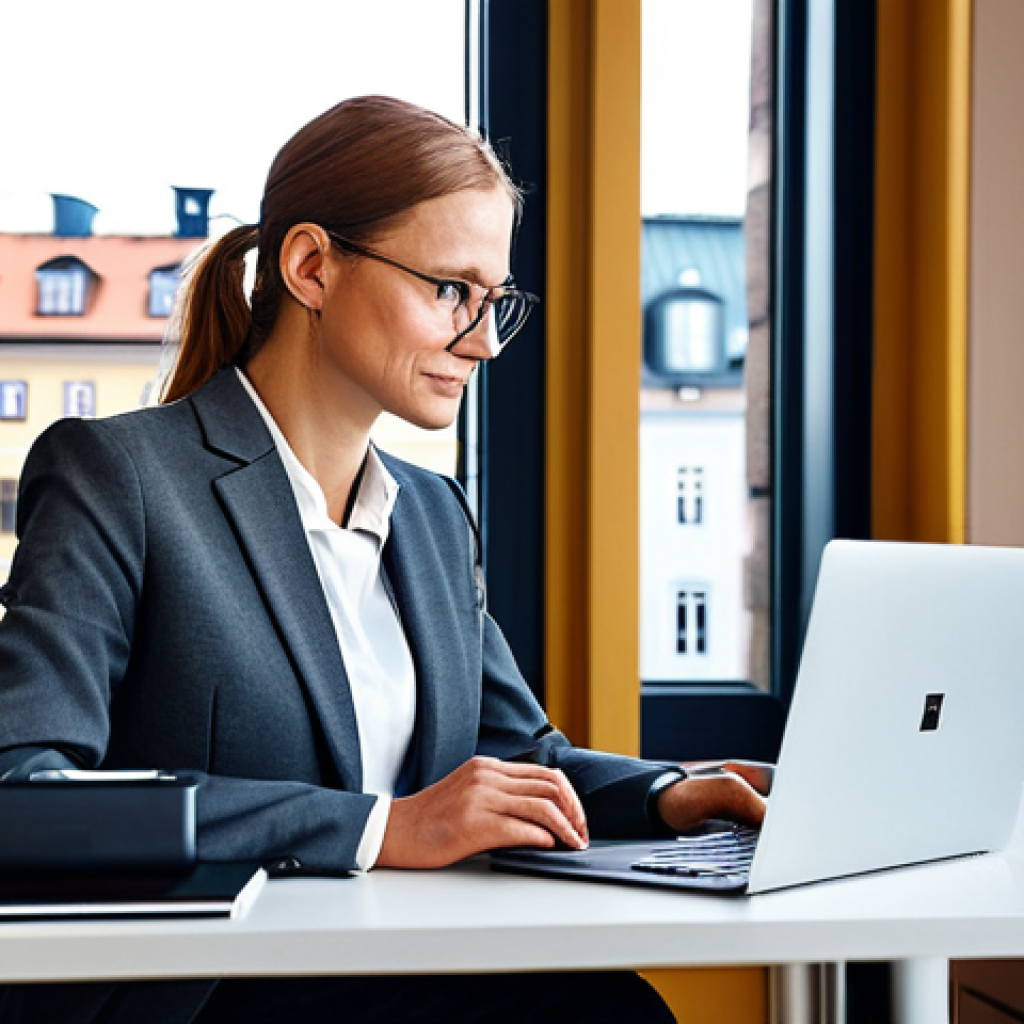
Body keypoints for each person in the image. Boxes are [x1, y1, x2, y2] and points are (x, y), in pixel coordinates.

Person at [0, 96, 767, 1024]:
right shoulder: (118, 476)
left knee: (615, 1009)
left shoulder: (433, 515)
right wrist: (383, 827)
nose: (482, 341)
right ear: (312, 267)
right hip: (212, 991)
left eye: (496, 302)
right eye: (450, 291)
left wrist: (670, 794)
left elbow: (517, 756)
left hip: (404, 964)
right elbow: (24, 790)